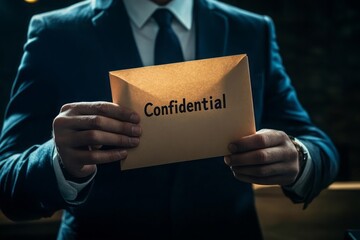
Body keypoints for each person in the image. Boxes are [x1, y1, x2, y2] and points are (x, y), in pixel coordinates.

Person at [0, 0, 339, 239]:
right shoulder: (55, 33)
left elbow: (319, 146)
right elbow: (7, 178)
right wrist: (60, 162)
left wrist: (298, 157)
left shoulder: (250, 30)